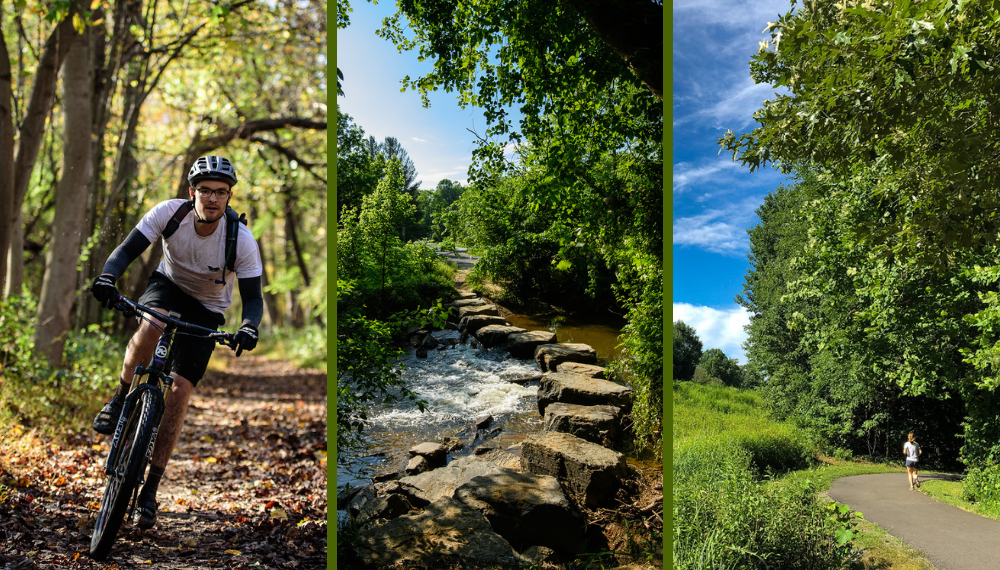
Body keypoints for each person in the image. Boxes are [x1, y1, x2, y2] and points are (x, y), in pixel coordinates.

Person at [89, 155, 264, 529]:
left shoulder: (241, 240)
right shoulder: (170, 213)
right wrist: (107, 277)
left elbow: (253, 298)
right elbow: (126, 251)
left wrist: (249, 327)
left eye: (221, 192)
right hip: (167, 285)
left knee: (181, 388)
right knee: (152, 324)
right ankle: (119, 396)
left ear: (229, 196)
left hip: (208, 308)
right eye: (205, 190)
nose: (212, 198)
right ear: (192, 192)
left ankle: (150, 488)